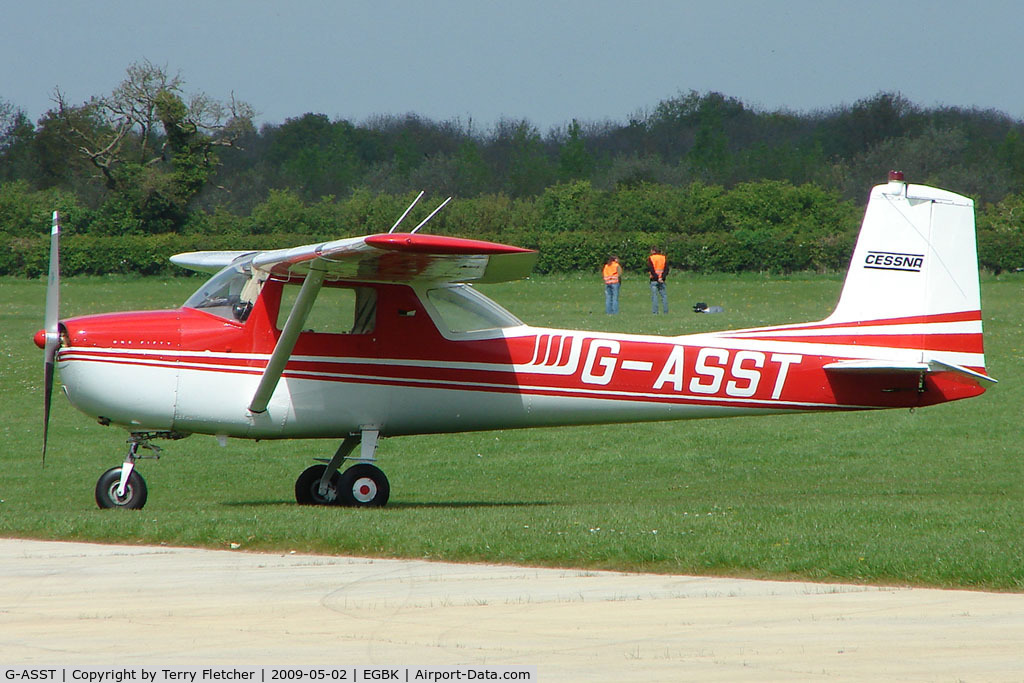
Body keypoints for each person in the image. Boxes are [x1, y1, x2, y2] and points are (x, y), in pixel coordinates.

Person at [646, 247, 669, 314]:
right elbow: (666, 269)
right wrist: (662, 277)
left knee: (654, 296)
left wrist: (657, 278)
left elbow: (651, 269)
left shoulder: (651, 258)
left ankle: (655, 312)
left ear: (653, 251)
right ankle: (665, 311)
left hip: (654, 280)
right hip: (662, 280)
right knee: (664, 296)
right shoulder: (663, 258)